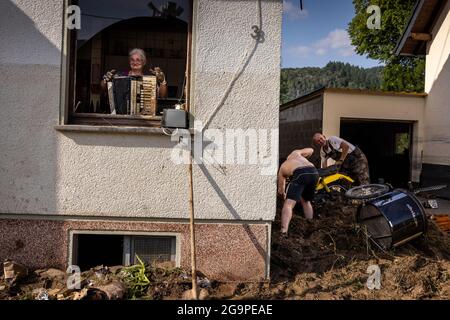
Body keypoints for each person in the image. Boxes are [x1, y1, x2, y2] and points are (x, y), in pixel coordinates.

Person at [278, 148, 319, 236]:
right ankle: (310, 224)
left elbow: (281, 192)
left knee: (288, 204)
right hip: (314, 172)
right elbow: (311, 150)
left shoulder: (282, 168)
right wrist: (302, 155)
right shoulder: (295, 153)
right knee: (306, 201)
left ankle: (283, 231)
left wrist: (283, 198)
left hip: (301, 173)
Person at [101, 48, 168, 98]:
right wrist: (105, 80)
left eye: (138, 60)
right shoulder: (119, 76)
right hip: (121, 115)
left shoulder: (149, 80)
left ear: (144, 62)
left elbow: (162, 95)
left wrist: (162, 82)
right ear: (129, 62)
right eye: (132, 60)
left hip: (143, 115)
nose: (135, 62)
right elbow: (103, 88)